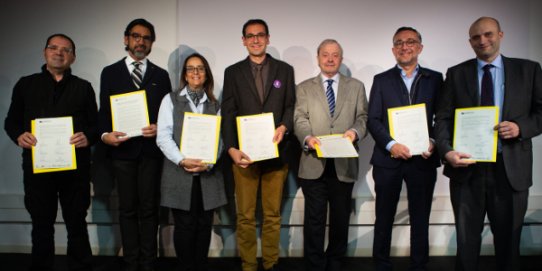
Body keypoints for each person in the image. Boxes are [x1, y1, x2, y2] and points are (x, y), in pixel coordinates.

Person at [434, 16, 542, 271]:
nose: (482, 41)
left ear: (500, 35)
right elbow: (443, 118)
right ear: (469, 42)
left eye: (488, 34)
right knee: (466, 243)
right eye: (476, 37)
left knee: (508, 243)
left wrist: (520, 128)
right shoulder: (457, 73)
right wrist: (446, 151)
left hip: (510, 170)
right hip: (466, 169)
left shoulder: (529, 70)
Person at [4, 33, 97, 271]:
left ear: (73, 58)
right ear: (45, 52)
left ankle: (80, 267)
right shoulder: (26, 84)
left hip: (75, 168)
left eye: (65, 50)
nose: (59, 53)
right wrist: (18, 135)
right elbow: (11, 122)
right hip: (38, 168)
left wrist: (88, 136)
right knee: (41, 224)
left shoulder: (84, 88)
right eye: (53, 48)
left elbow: (95, 125)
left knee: (76, 222)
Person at [221, 19, 296, 271]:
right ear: (243, 40)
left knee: (273, 215)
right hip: (244, 156)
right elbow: (228, 111)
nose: (255, 40)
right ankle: (249, 265)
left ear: (268, 38)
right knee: (245, 216)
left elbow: (290, 105)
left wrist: (284, 126)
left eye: (260, 35)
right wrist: (231, 149)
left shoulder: (285, 70)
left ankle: (271, 263)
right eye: (250, 36)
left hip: (276, 153)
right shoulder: (232, 72)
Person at [98, 18, 172, 271]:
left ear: (152, 42)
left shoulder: (161, 76)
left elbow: (167, 116)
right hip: (122, 152)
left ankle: (149, 261)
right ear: (126, 39)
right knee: (127, 209)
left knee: (150, 209)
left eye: (146, 37)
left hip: (151, 153)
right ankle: (131, 261)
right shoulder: (110, 72)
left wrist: (159, 128)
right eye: (136, 36)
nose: (141, 41)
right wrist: (105, 134)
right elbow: (104, 113)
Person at [367, 27, 442, 271]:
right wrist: (392, 145)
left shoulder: (435, 78)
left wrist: (432, 141)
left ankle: (419, 265)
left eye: (410, 42)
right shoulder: (381, 79)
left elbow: (442, 118)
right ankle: (381, 264)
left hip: (423, 159)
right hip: (388, 159)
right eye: (399, 42)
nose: (404, 46)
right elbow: (373, 120)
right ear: (393, 50)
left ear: (420, 47)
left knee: (420, 217)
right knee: (384, 217)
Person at [293, 39, 368, 271]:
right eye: (325, 54)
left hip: (344, 166)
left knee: (340, 219)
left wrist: (355, 133)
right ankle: (314, 264)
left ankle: (335, 262)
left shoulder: (356, 86)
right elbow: (299, 119)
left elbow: (363, 117)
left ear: (341, 59)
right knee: (314, 221)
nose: (330, 59)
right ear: (318, 58)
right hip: (313, 164)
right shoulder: (304, 87)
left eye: (335, 55)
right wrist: (308, 139)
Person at [156, 53, 227, 271]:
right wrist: (182, 160)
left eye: (200, 68)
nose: (195, 72)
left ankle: (200, 266)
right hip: (180, 174)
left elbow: (221, 139)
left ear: (207, 74)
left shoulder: (215, 104)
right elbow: (163, 136)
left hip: (208, 174)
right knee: (185, 226)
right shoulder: (170, 99)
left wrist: (210, 162)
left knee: (204, 225)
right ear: (185, 75)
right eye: (190, 68)